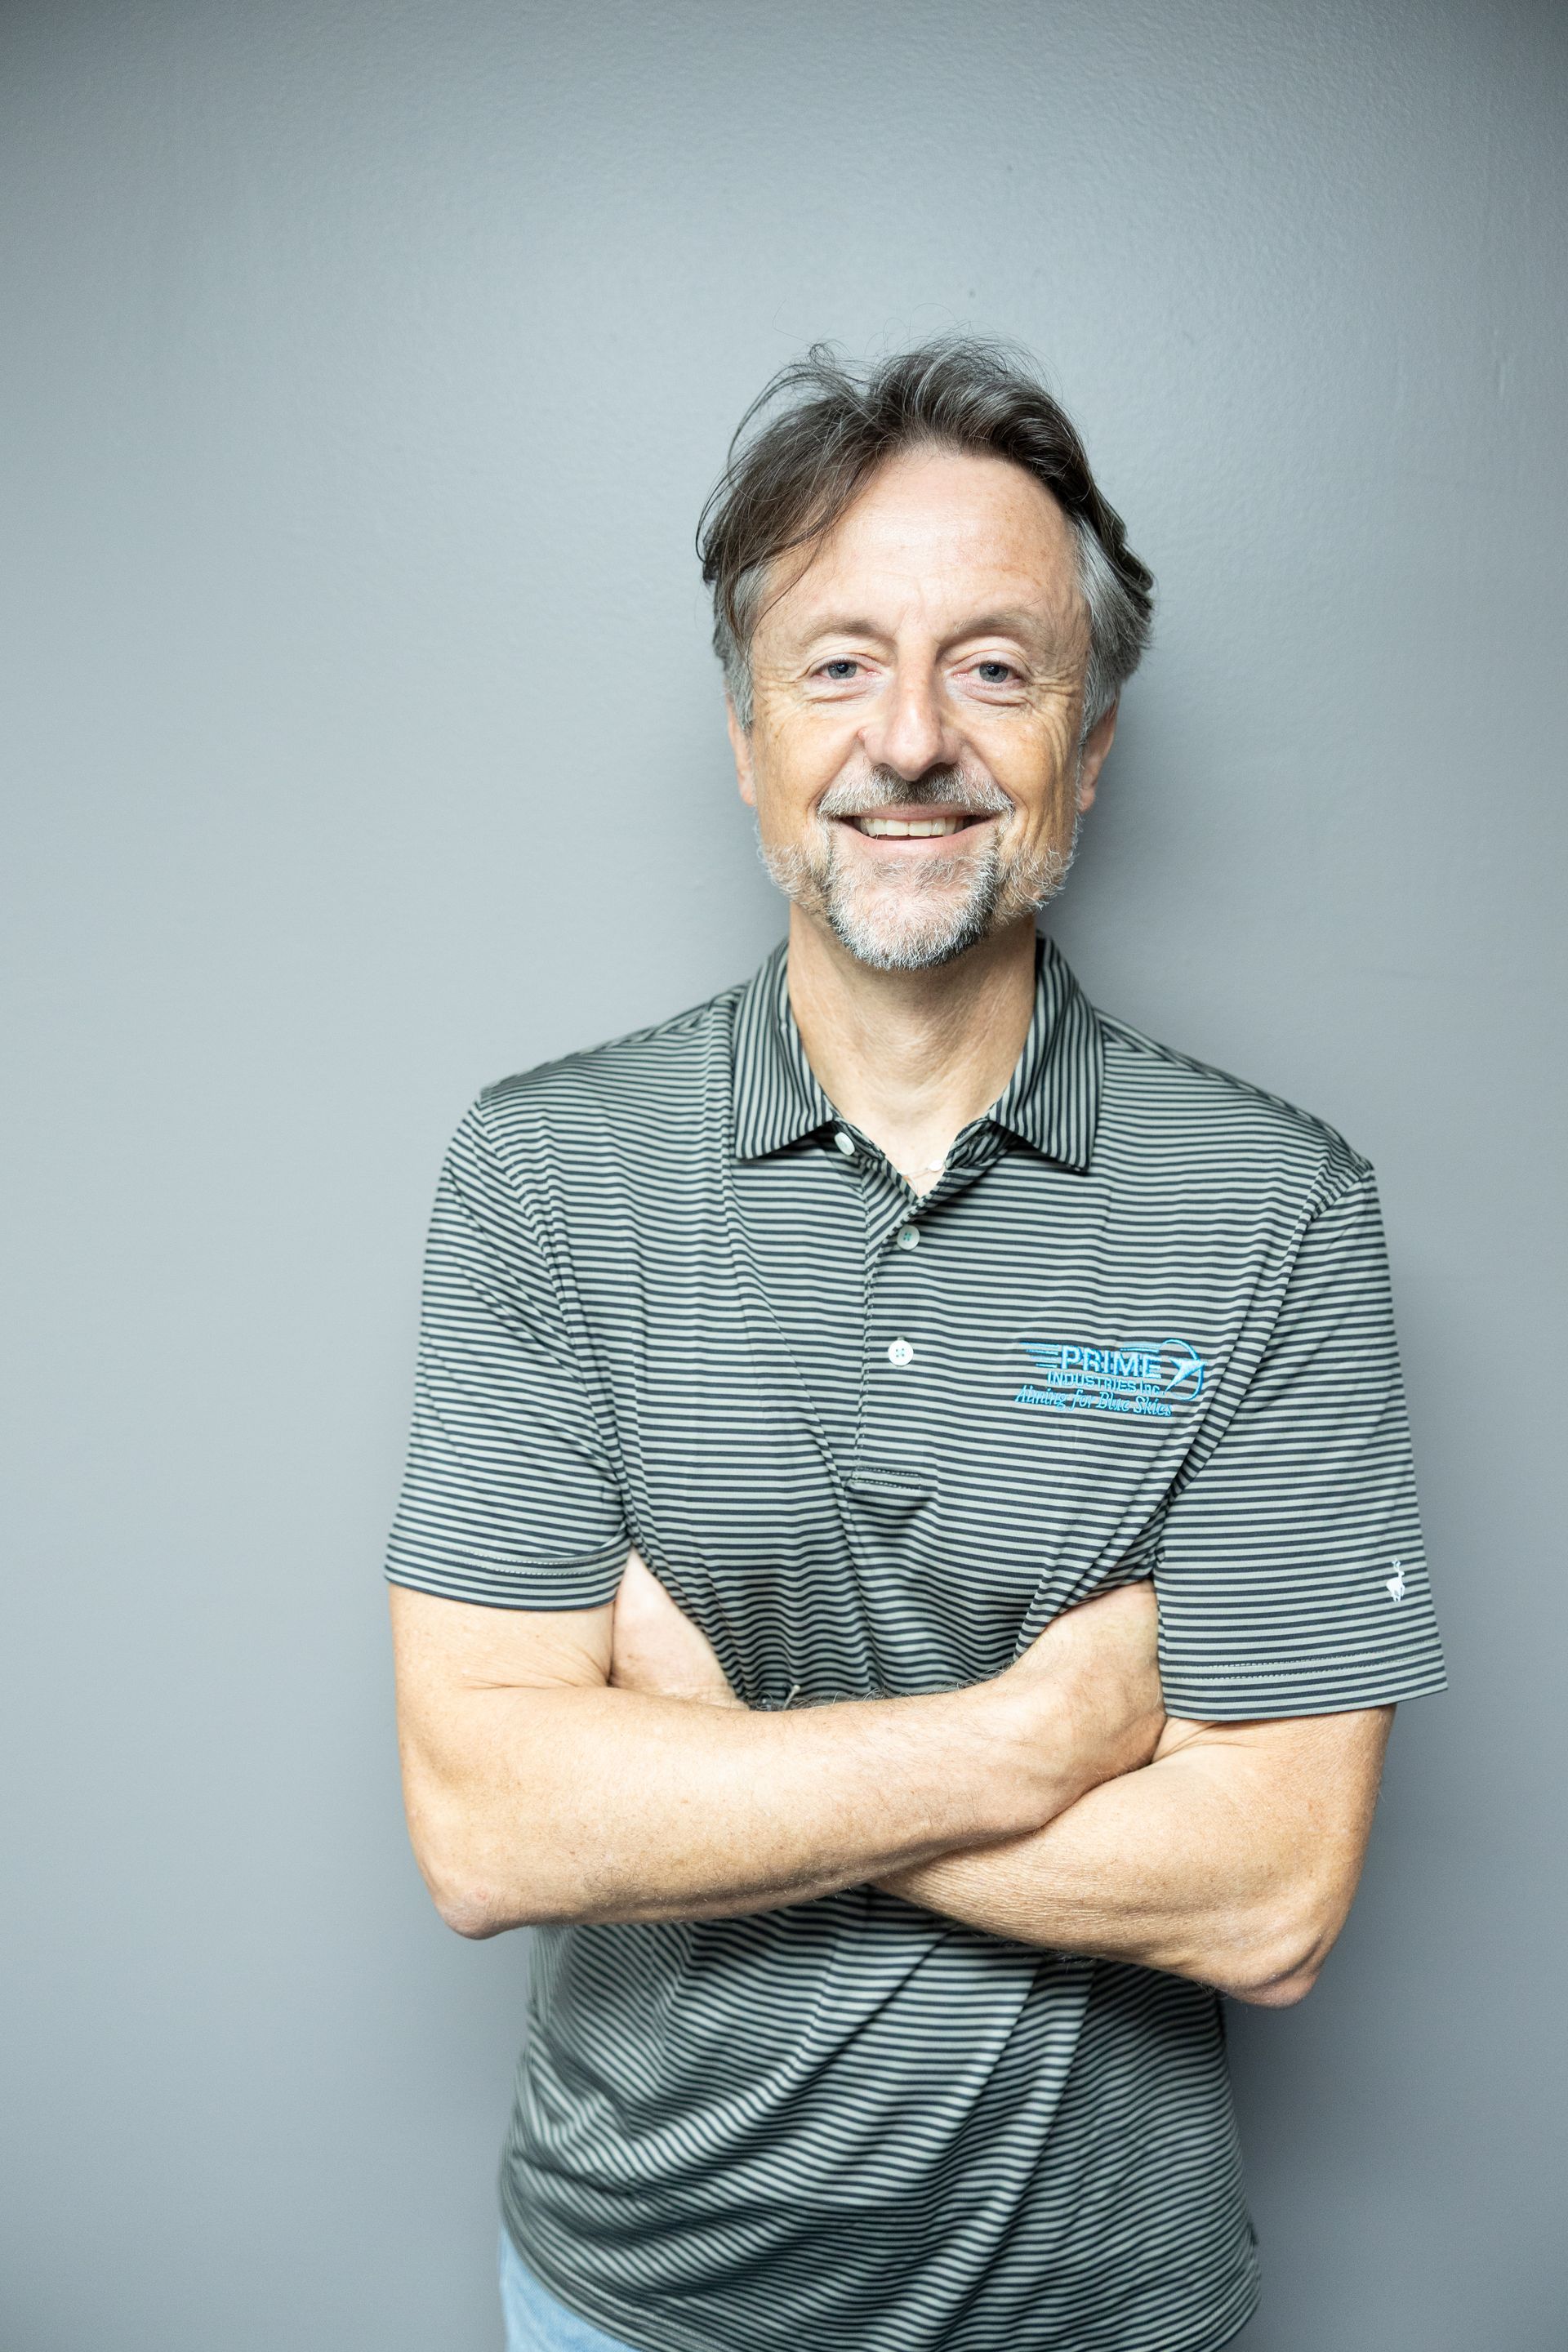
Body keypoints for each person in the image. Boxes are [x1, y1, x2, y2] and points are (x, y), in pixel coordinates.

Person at [385, 340, 1446, 2352]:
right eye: (840, 662)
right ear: (745, 735)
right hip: (630, 2307)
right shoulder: (543, 1177)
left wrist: (700, 1774)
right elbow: (491, 1827)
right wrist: (1036, 1739)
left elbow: (1270, 1899)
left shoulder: (1277, 1213)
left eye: (994, 665)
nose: (912, 740)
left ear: (1094, 740)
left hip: (1106, 2315)